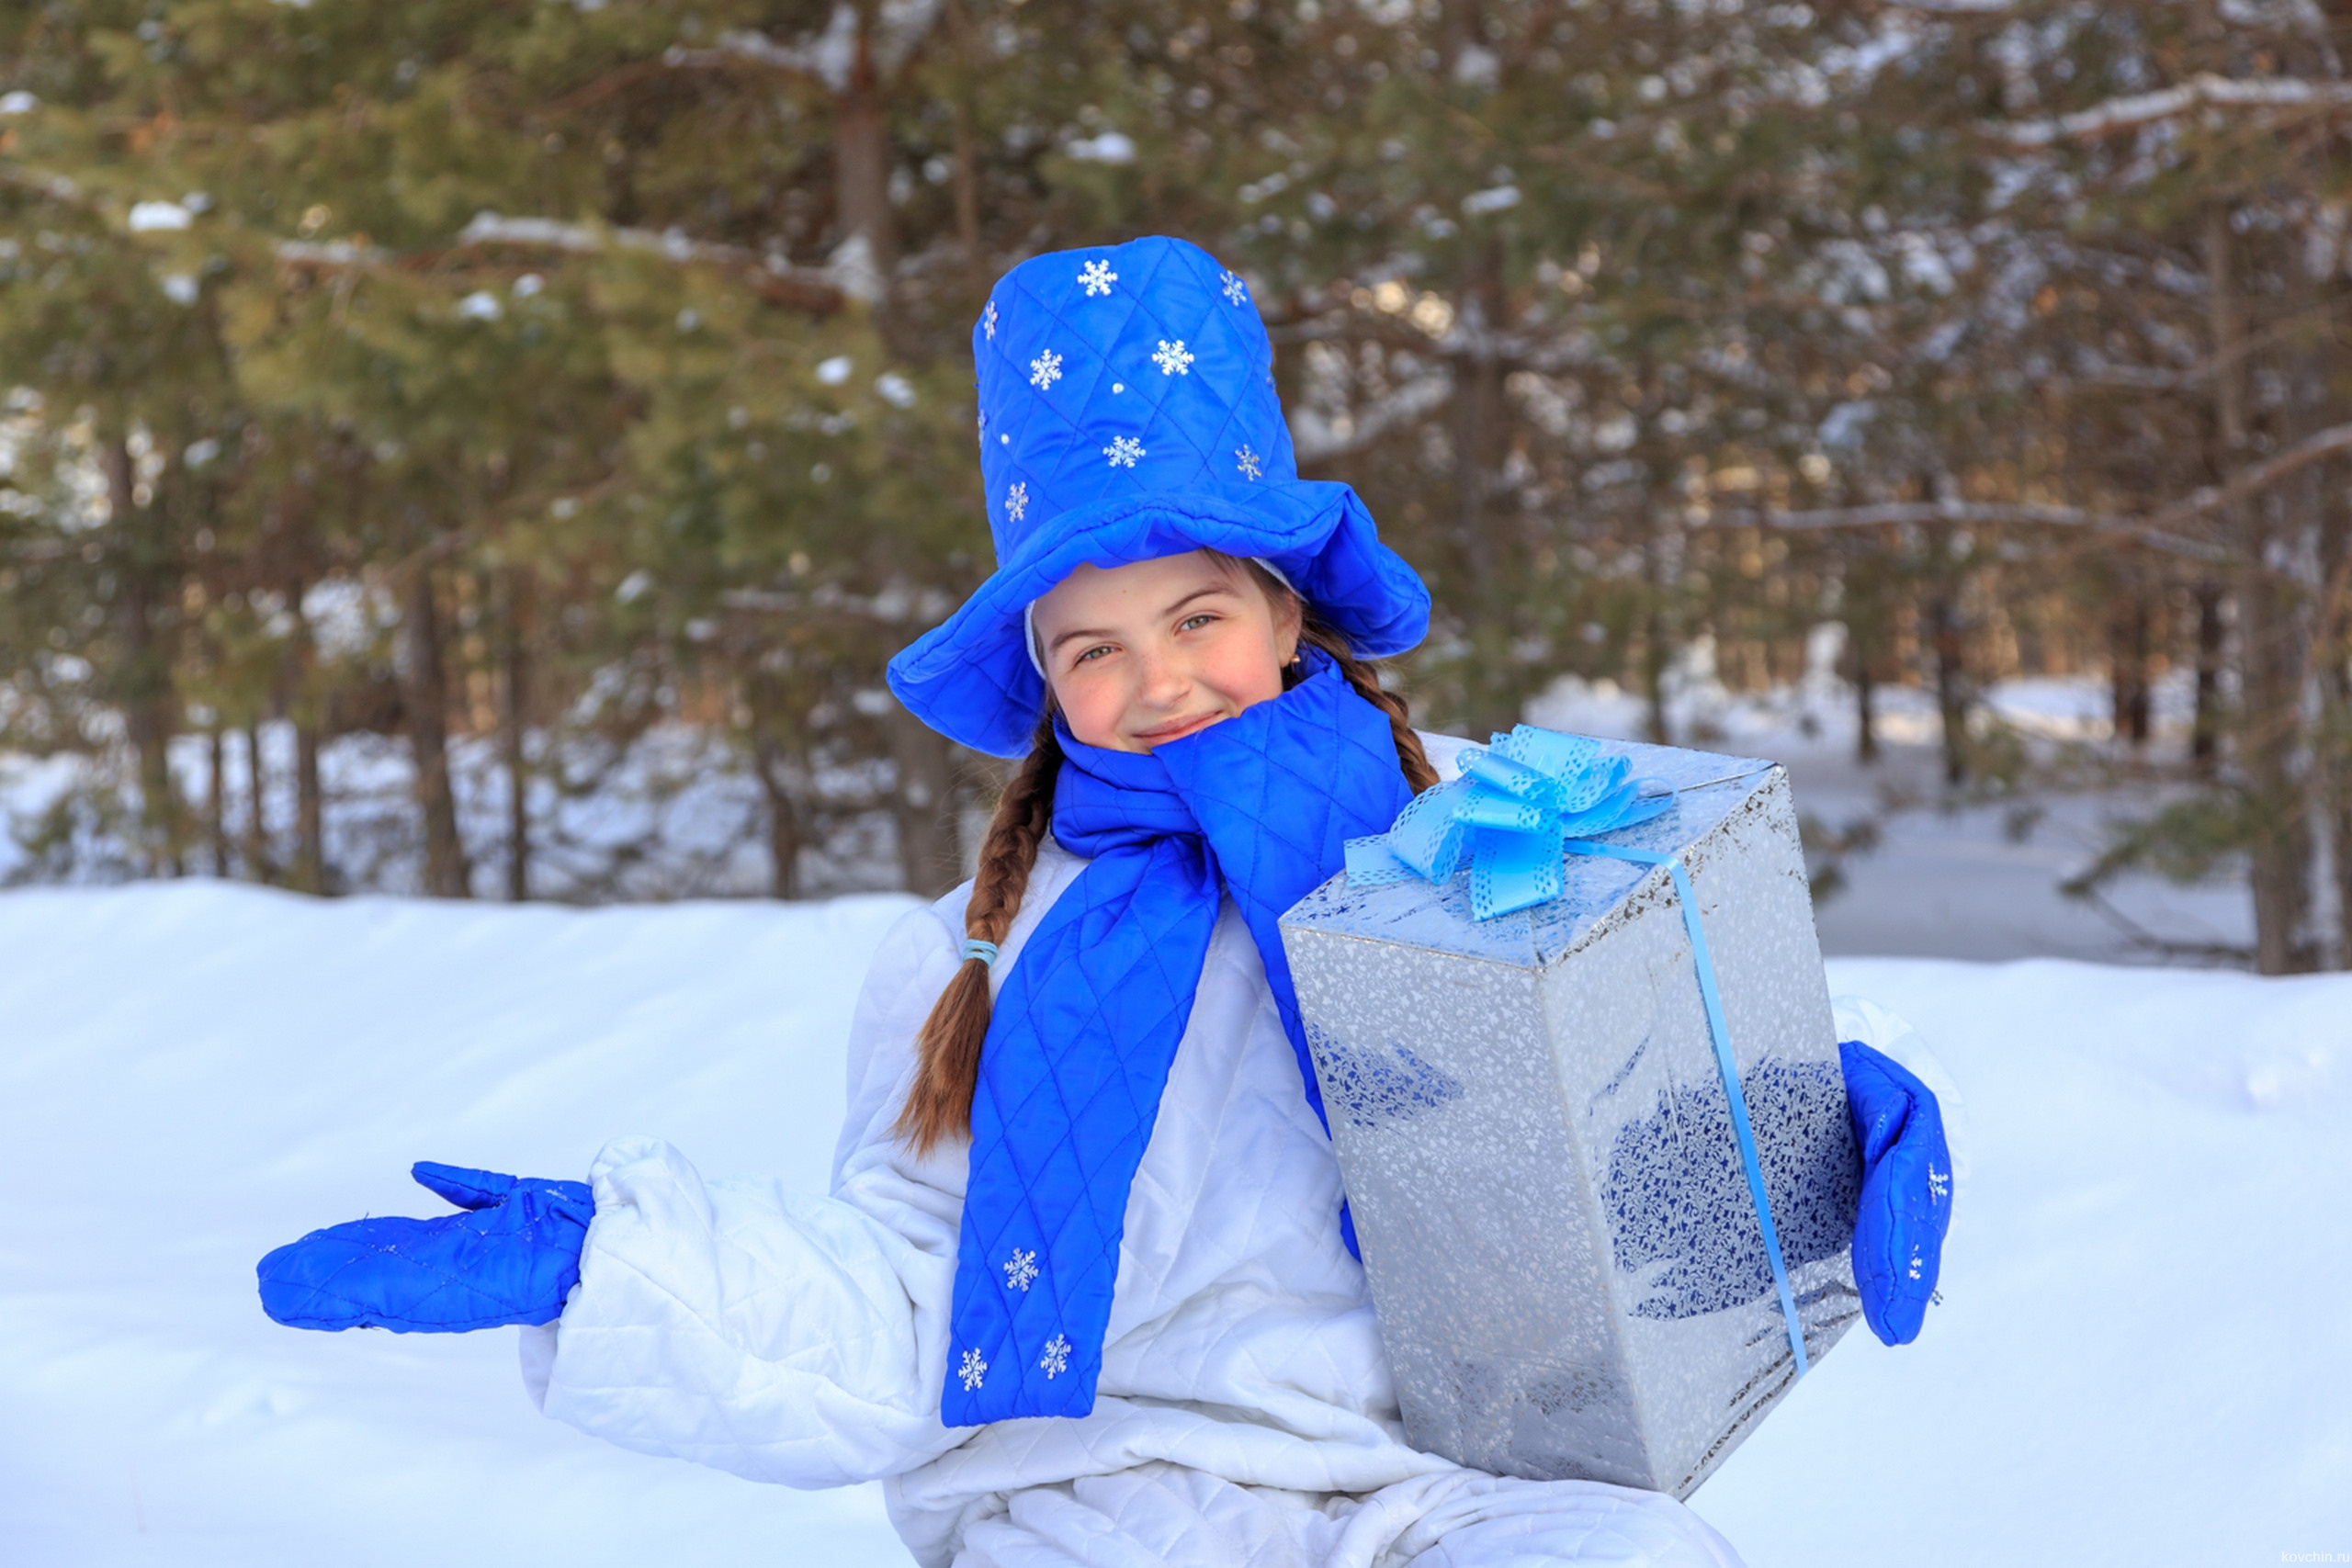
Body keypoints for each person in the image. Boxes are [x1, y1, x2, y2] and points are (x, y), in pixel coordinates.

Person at [259, 236, 1954, 1568]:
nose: (1159, 685)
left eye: (1197, 618)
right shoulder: (976, 960)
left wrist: (1828, 1113)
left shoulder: (1484, 857)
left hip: (1455, 1479)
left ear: (1288, 616)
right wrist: (614, 1273)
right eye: (1095, 648)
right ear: (1047, 681)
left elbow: (1648, 1067)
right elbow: (910, 1293)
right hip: (1110, 1489)